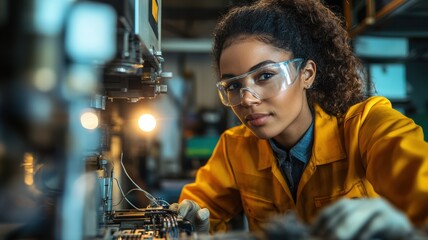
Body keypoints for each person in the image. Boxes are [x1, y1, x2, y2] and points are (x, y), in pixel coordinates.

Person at [169, 0, 428, 238]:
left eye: (265, 76)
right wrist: (194, 227)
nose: (247, 99)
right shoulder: (235, 148)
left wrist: (407, 229)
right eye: (234, 86)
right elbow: (200, 209)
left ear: (307, 74)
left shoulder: (367, 126)